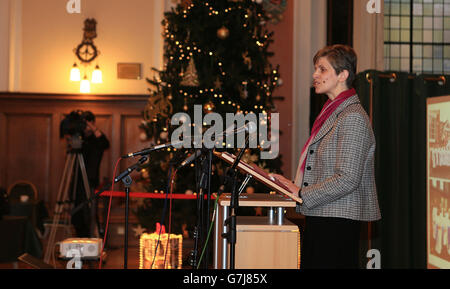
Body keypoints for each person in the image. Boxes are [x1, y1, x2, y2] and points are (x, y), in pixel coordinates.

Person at [271, 44, 381, 269]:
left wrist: (302, 192)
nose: (315, 75)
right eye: (315, 69)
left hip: (336, 220)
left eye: (322, 69)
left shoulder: (352, 117)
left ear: (343, 75)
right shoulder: (333, 110)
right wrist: (293, 187)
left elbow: (348, 178)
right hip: (323, 215)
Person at [71, 111, 110, 238]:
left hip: (91, 179)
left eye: (88, 123)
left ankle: (91, 237)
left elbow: (105, 144)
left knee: (89, 210)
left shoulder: (96, 139)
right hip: (78, 179)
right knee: (77, 211)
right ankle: (78, 237)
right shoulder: (79, 138)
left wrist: (93, 128)